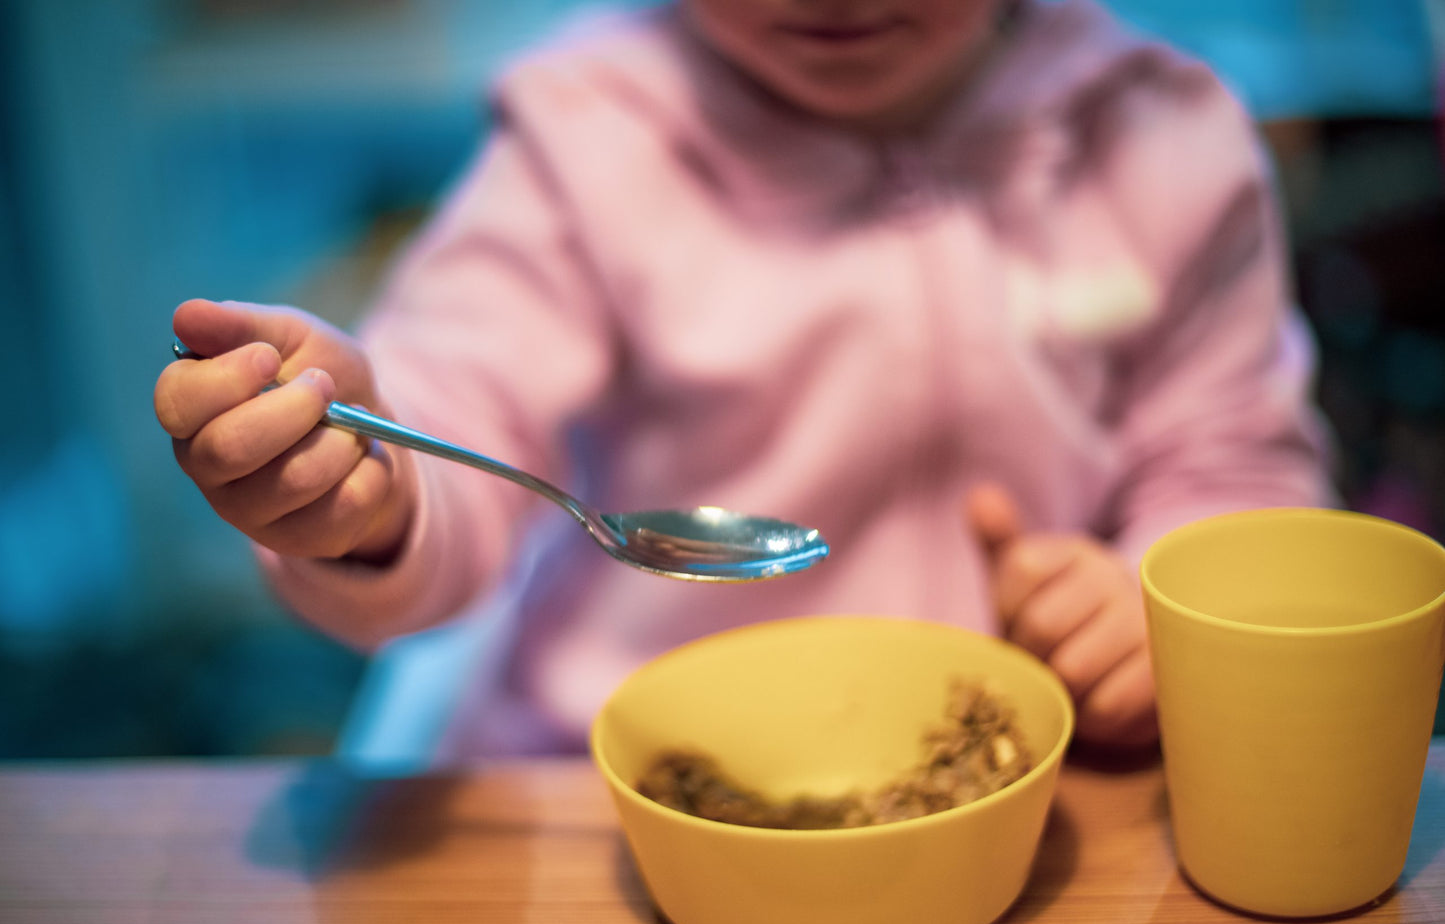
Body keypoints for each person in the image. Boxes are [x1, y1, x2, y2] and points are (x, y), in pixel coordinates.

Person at [153, 0, 1332, 755]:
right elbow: (460, 388)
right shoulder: (589, 135)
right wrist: (373, 484)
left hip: (1009, 774)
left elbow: (1233, 462)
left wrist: (1161, 606)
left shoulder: (1161, 136)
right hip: (604, 784)